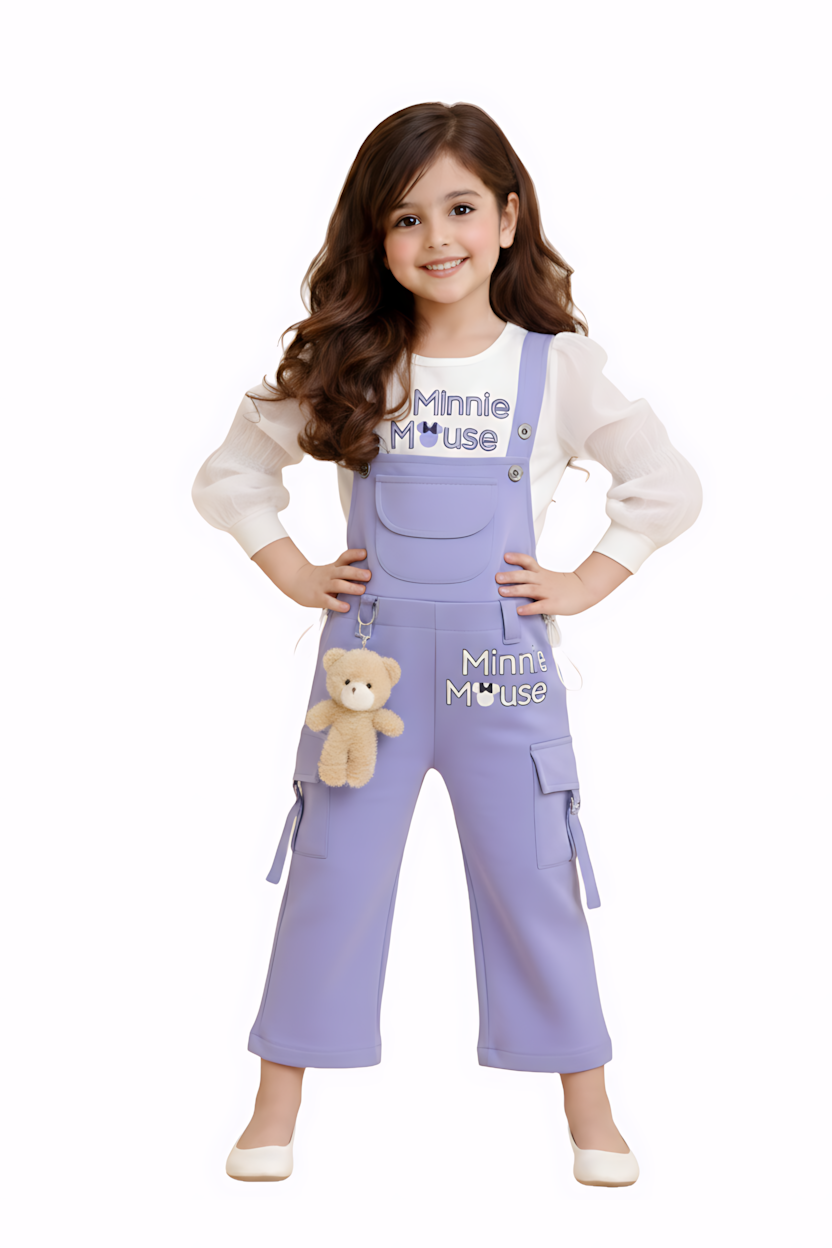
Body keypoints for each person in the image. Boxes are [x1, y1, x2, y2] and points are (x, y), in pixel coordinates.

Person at [191, 101, 702, 1187]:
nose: (437, 238)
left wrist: (584, 582)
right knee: (331, 875)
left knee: (535, 878)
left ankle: (591, 1110)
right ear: (375, 237)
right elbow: (230, 474)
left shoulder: (555, 368)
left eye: (461, 208)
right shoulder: (350, 361)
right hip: (364, 678)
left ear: (508, 218)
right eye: (406, 217)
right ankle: (273, 1106)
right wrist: (294, 572)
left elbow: (666, 486)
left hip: (501, 672)